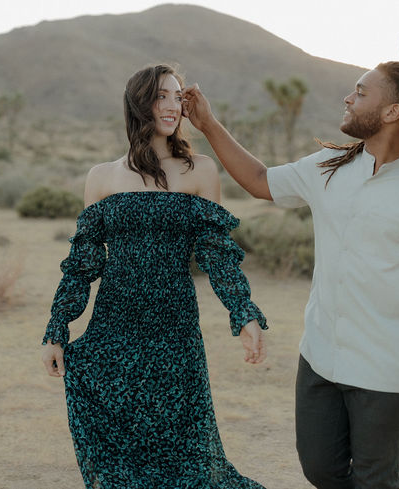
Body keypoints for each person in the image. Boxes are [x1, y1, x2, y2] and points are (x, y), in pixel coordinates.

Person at [182, 61, 399, 489]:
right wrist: (207, 124)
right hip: (320, 357)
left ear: (393, 112)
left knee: (375, 480)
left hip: (386, 371)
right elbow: (261, 180)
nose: (348, 98)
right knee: (320, 469)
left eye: (361, 92)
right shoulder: (330, 166)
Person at [41, 63, 269, 489]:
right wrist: (57, 330)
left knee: (189, 455)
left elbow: (217, 254)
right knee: (120, 459)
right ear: (138, 102)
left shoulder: (200, 170)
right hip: (113, 329)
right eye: (161, 95)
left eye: (177, 96)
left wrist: (244, 313)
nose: (171, 105)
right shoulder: (102, 176)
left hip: (174, 331)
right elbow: (83, 264)